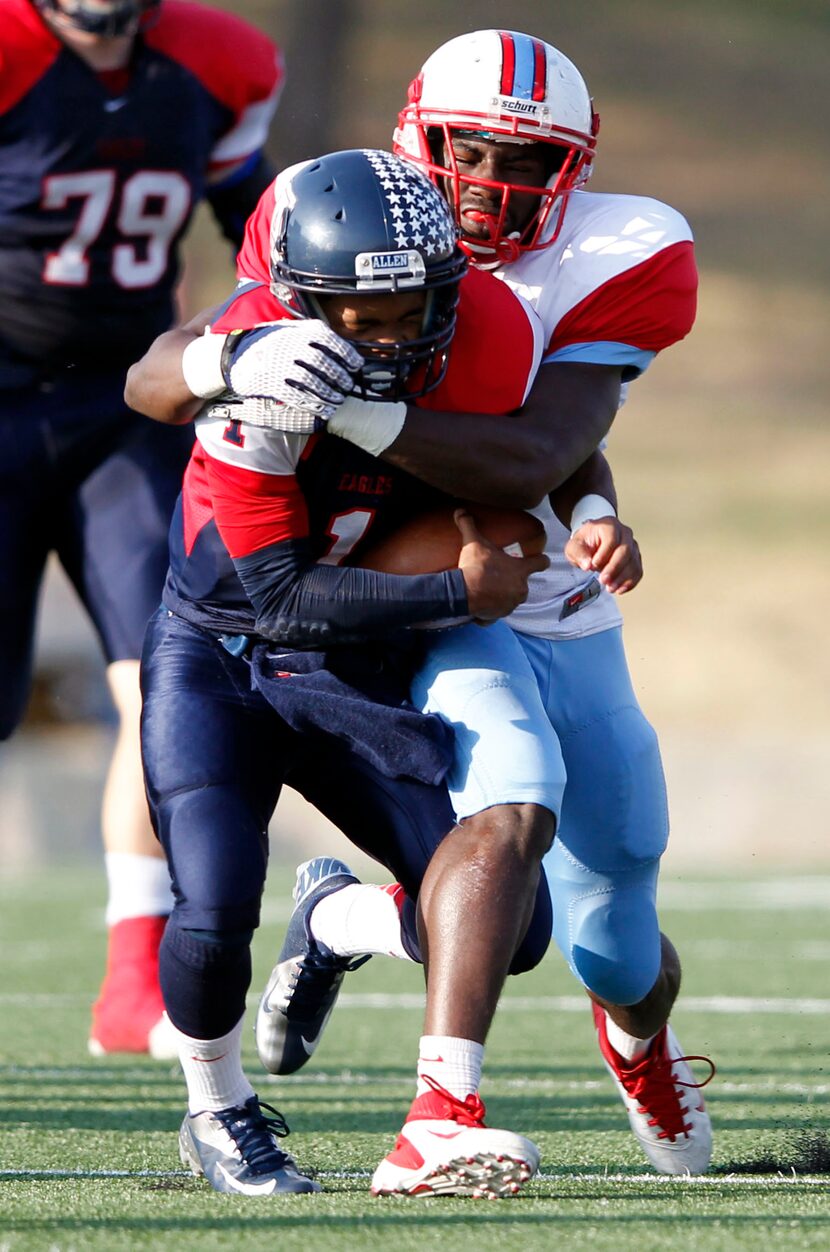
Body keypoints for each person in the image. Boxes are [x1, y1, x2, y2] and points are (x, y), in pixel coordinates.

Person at [202, 30, 714, 1178]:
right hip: (432, 593)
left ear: (573, 171)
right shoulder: (334, 216)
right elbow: (215, 368)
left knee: (613, 918)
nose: (491, 183)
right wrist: (216, 372)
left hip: (551, 587)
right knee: (512, 801)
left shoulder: (619, 252)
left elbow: (541, 437)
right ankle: (439, 1114)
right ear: (415, 137)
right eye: (470, 151)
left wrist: (588, 501)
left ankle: (630, 1038)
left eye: (526, 161)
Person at [131, 148, 559, 1196]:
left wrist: (582, 511)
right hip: (226, 654)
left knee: (515, 928)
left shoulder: (489, 328)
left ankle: (335, 919)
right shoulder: (263, 370)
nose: (391, 334)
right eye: (359, 316)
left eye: (412, 304)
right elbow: (274, 597)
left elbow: (537, 452)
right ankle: (217, 1105)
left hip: (352, 658)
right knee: (212, 906)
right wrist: (460, 594)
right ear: (299, 302)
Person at [0, 0, 283, 1057]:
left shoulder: (217, 64)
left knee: (163, 681)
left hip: (125, 412)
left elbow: (257, 229)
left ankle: (132, 983)